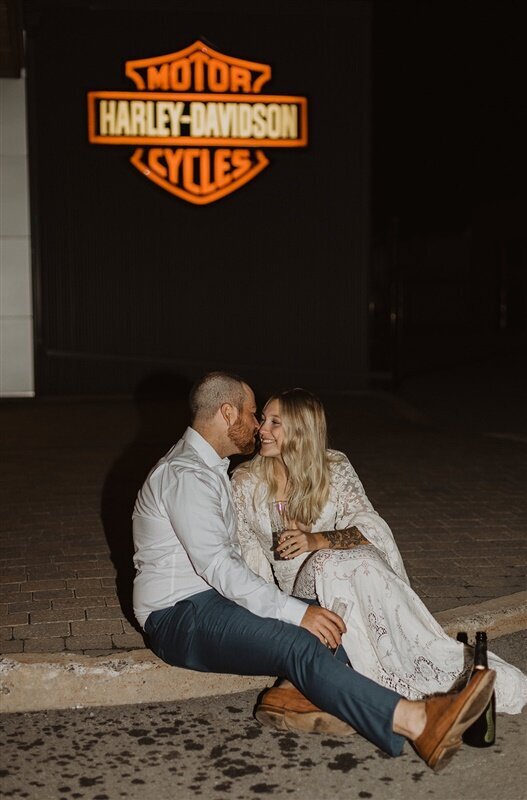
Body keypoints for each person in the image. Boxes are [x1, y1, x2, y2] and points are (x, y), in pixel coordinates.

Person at [132, 371, 496, 773]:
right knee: (300, 640)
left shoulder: (210, 467)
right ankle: (418, 721)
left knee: (335, 625)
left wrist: (301, 608)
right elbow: (219, 566)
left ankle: (292, 696)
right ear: (227, 412)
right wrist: (295, 611)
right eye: (254, 414)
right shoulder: (187, 475)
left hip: (211, 603)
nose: (257, 426)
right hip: (178, 614)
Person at [231, 388, 527, 722]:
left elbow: (369, 528)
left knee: (348, 559)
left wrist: (316, 539)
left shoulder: (334, 467)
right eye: (264, 420)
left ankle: (434, 669)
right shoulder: (246, 483)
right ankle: (402, 682)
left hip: (350, 580)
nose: (262, 430)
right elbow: (249, 561)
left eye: (274, 422)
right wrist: (272, 618)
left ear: (301, 431)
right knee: (338, 562)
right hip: (300, 598)